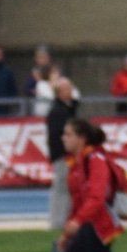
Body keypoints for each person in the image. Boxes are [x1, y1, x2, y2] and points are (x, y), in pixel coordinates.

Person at [55, 118, 126, 252]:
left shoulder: (96, 159)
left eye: (68, 134)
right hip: (86, 226)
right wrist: (67, 233)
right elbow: (77, 201)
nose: (63, 138)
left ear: (81, 138)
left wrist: (77, 222)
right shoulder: (77, 163)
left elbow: (97, 197)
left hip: (98, 228)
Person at [44, 75, 80, 229]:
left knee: (68, 187)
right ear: (59, 92)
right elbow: (57, 136)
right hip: (63, 155)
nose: (70, 91)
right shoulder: (57, 112)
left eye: (70, 88)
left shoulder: (68, 108)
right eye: (66, 89)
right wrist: (64, 152)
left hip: (67, 154)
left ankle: (65, 218)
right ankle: (58, 221)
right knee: (61, 187)